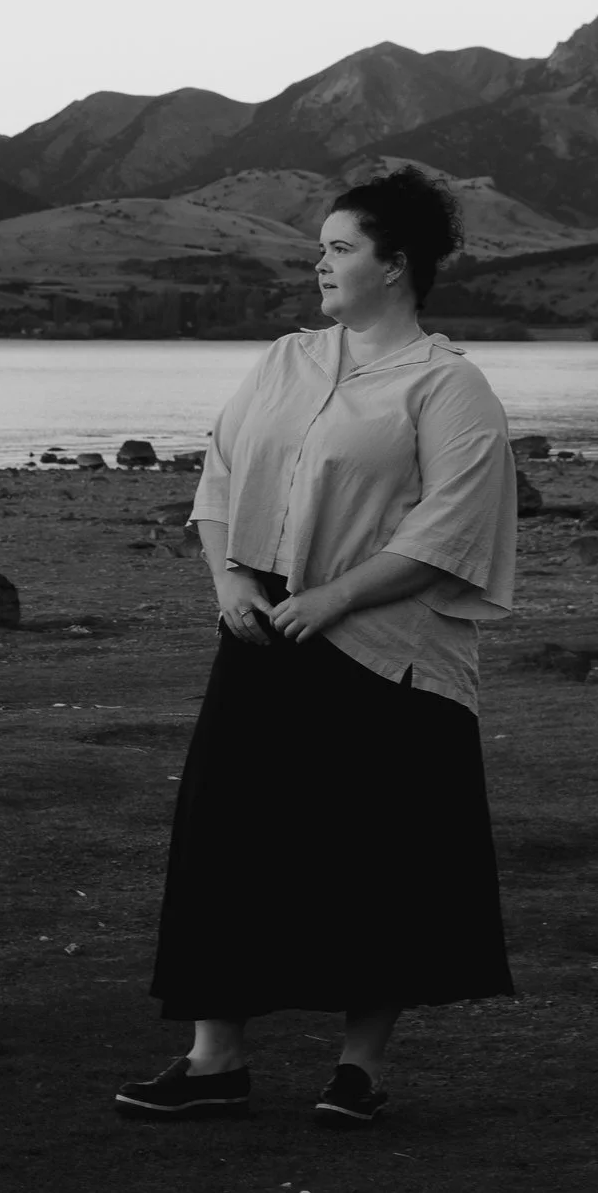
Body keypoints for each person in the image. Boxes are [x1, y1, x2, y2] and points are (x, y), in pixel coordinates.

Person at [113, 164, 518, 1129]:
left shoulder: (448, 384)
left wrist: (331, 599)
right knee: (226, 837)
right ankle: (215, 1060)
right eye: (322, 248)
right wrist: (229, 579)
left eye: (340, 249)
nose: (321, 265)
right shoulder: (285, 360)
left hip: (387, 645)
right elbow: (221, 474)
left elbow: (450, 526)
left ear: (398, 265)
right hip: (260, 626)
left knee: (380, 853)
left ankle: (359, 1068)